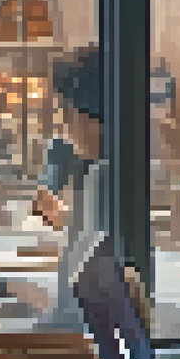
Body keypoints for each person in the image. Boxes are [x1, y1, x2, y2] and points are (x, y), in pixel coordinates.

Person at [31, 44, 110, 333]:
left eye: (67, 109)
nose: (65, 122)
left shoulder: (103, 179)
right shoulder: (104, 174)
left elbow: (79, 303)